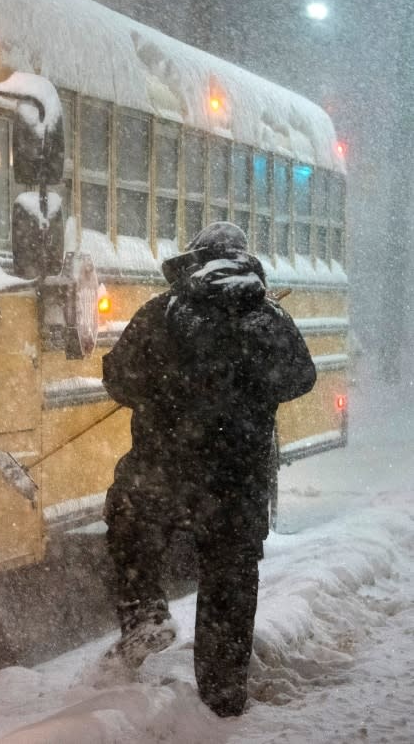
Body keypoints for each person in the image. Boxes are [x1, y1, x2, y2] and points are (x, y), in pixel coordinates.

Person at [101, 221, 316, 717]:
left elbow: (118, 377)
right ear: (244, 259)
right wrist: (249, 387)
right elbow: (301, 377)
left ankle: (145, 612)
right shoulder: (268, 318)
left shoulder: (163, 312)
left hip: (161, 472)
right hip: (237, 484)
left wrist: (166, 390)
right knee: (229, 582)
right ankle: (221, 698)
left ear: (194, 257)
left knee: (128, 518)